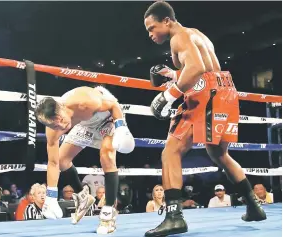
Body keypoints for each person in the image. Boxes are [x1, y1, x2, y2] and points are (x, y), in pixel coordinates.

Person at [143, 1, 266, 236]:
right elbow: (205, 69)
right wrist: (173, 75)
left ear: (166, 21)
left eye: (152, 27)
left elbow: (197, 69)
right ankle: (254, 206)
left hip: (205, 96)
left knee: (170, 152)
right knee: (219, 153)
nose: (150, 34)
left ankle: (174, 217)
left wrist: (169, 95)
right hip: (225, 92)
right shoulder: (197, 35)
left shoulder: (178, 37)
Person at [35, 85, 135, 234]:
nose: (62, 126)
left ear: (62, 108)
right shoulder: (53, 130)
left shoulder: (85, 100)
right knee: (62, 160)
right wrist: (51, 196)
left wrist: (120, 127)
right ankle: (83, 197)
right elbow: (53, 162)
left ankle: (108, 213)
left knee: (107, 156)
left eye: (61, 120)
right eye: (56, 126)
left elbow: (113, 106)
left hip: (107, 116)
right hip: (85, 123)